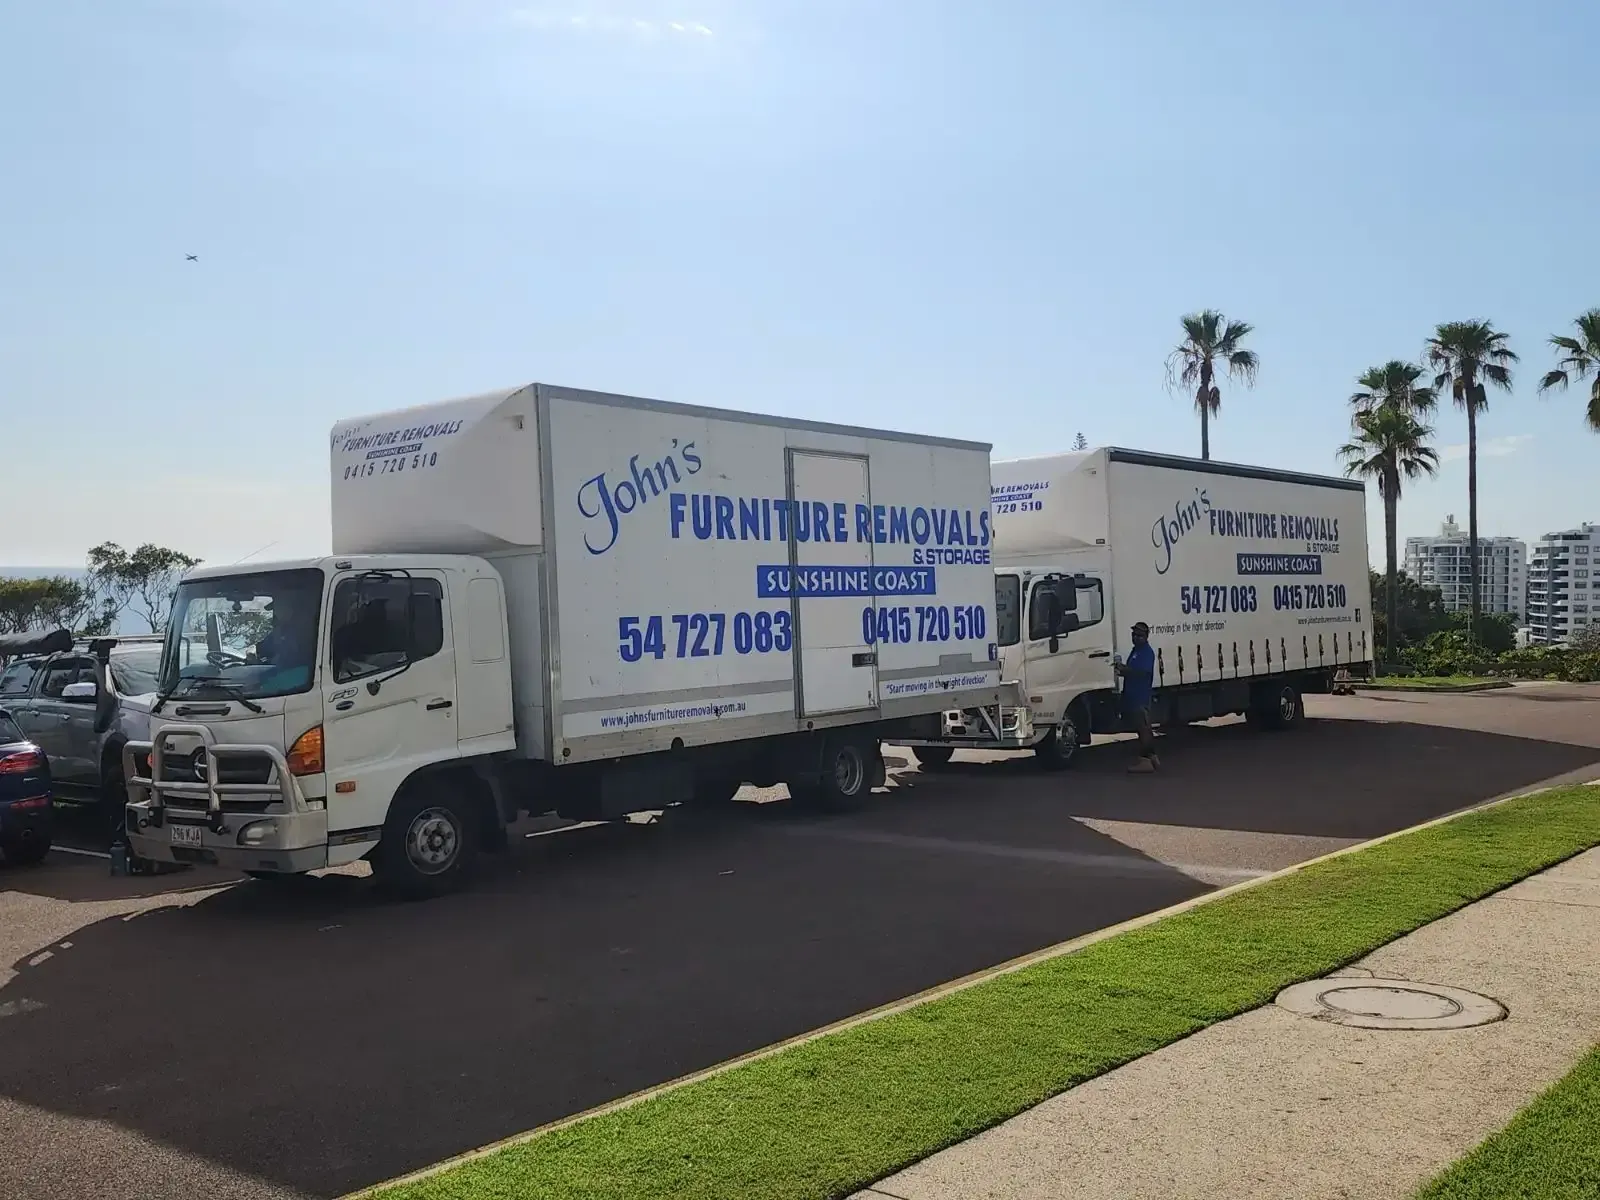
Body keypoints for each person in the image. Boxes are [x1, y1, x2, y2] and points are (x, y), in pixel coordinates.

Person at [1116, 621, 1159, 773]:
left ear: (1146, 636)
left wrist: (1125, 670)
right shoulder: (1136, 651)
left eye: (1139, 635)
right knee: (1142, 728)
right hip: (1132, 695)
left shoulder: (1147, 652)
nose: (1135, 637)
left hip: (1140, 696)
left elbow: (1142, 672)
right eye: (1134, 635)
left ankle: (1145, 761)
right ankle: (1152, 757)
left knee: (1144, 729)